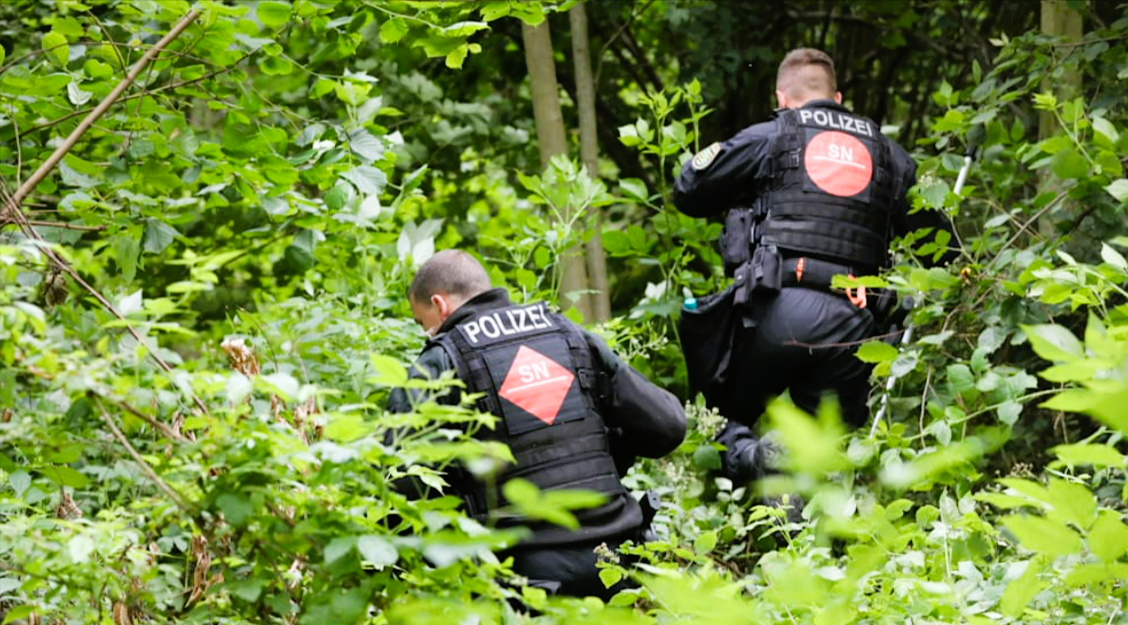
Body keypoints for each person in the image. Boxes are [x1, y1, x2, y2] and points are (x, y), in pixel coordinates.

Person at [671, 49, 959, 488]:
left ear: (781, 98)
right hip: (855, 325)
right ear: (838, 97)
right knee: (819, 455)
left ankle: (752, 459)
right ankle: (802, 526)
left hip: (774, 312)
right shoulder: (888, 155)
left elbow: (688, 189)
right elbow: (944, 251)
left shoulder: (773, 135)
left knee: (721, 420)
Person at [384, 249, 687, 601]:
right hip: (618, 562)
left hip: (524, 579)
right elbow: (666, 426)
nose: (427, 334)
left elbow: (398, 485)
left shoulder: (442, 359)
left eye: (423, 323)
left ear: (439, 305)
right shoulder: (568, 333)